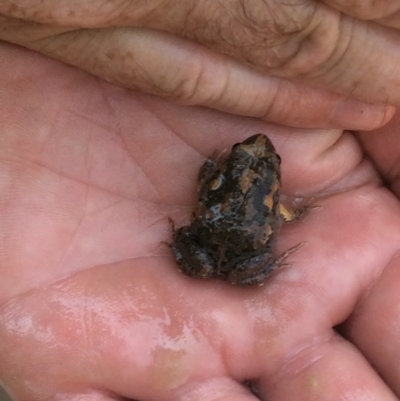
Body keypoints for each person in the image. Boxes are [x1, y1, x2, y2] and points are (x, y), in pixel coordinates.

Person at [0, 2, 400, 400]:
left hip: (209, 247)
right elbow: (286, 214)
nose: (256, 149)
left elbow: (211, 182)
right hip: (241, 257)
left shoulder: (234, 183)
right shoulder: (274, 201)